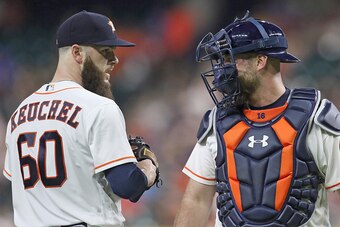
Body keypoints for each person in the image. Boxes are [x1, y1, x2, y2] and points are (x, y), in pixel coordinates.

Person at [174, 11, 340, 227]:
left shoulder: (316, 115)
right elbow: (196, 200)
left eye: (229, 59)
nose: (221, 71)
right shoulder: (217, 123)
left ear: (260, 60)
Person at [2, 10, 158, 227]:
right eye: (106, 51)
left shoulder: (19, 114)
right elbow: (127, 185)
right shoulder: (99, 107)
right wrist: (148, 168)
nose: (114, 60)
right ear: (77, 52)